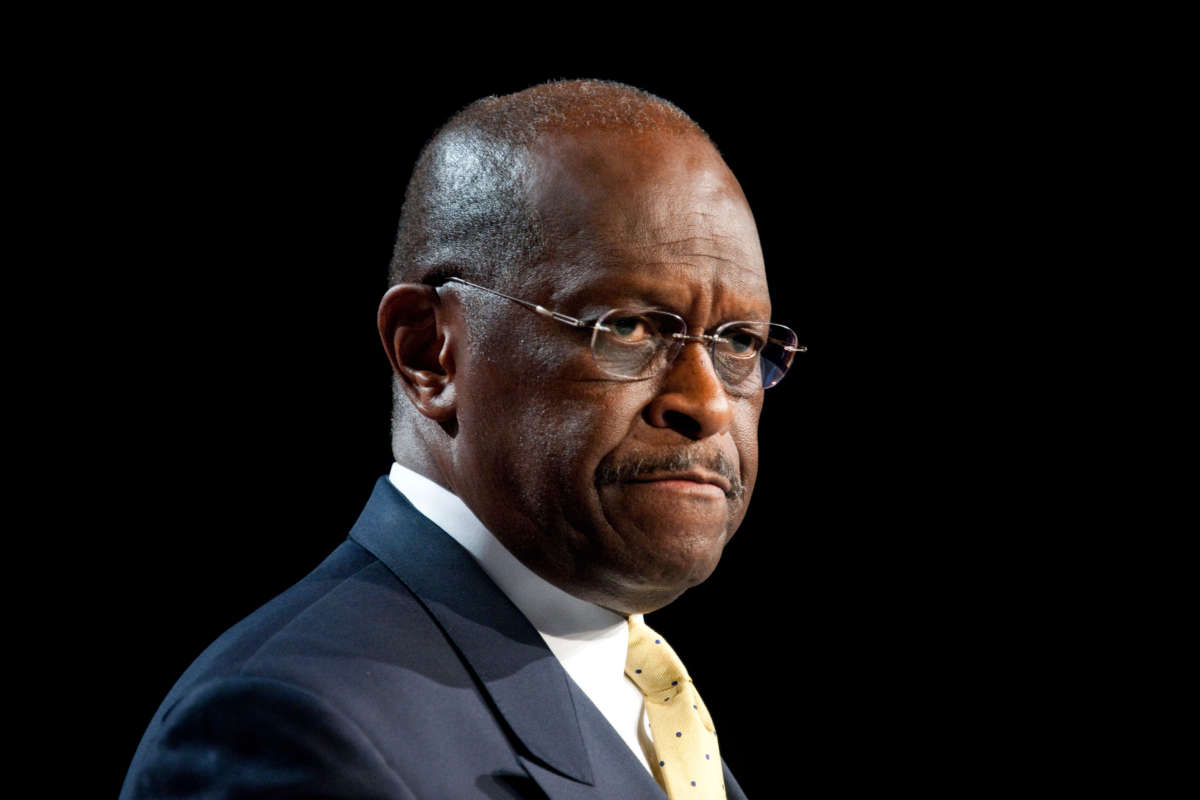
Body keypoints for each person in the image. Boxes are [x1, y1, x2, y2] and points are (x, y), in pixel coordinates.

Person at [120, 79, 803, 799]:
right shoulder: (294, 727)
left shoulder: (643, 702)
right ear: (428, 353)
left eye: (738, 341)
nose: (708, 404)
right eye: (627, 327)